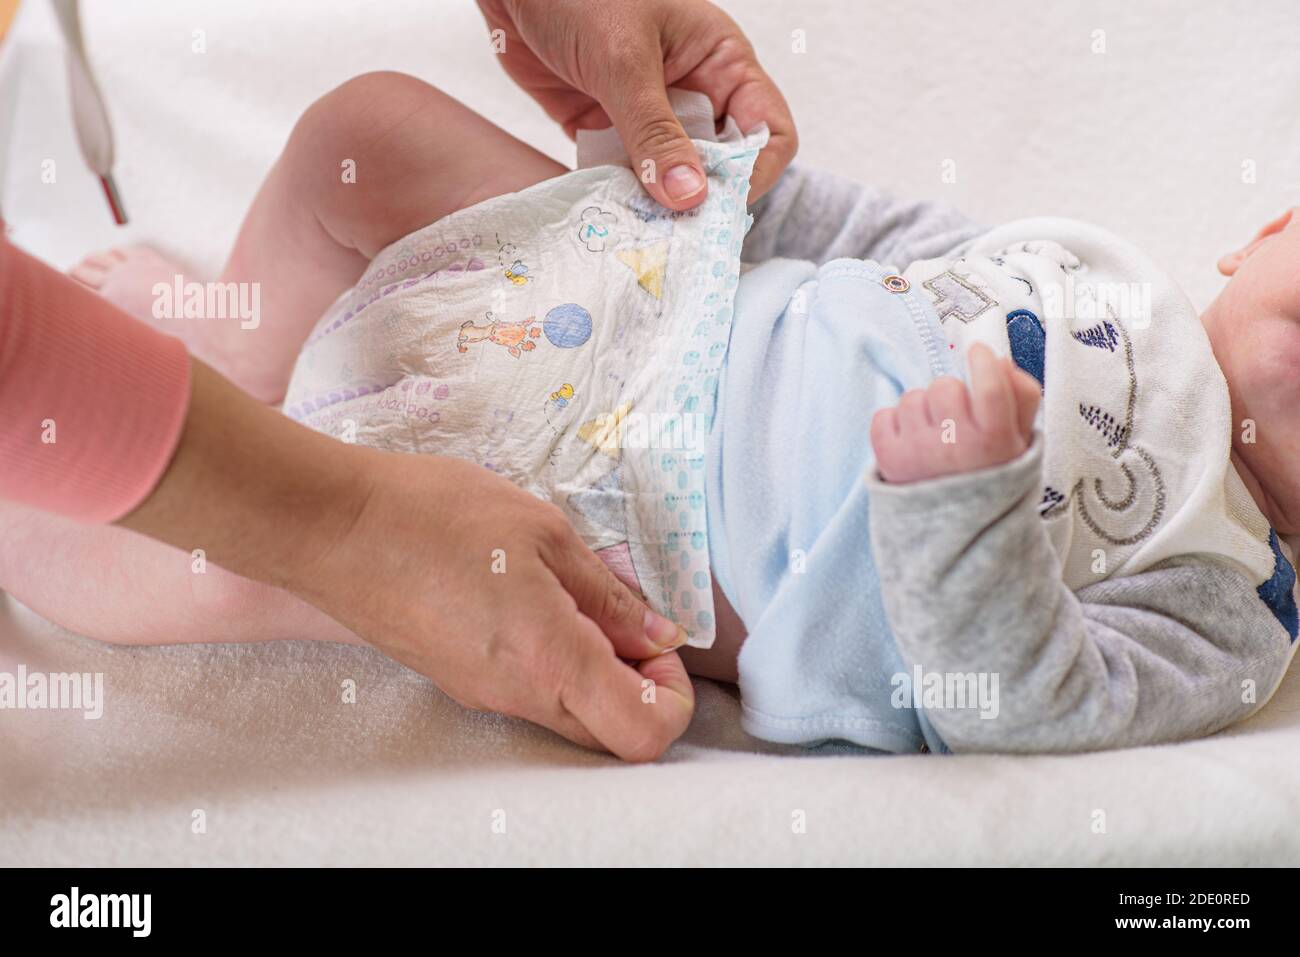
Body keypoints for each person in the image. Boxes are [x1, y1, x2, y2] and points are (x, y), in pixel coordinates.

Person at [0, 0, 797, 762]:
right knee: (363, 134)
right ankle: (236, 337)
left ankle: (33, 516)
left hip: (589, 521)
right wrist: (732, 178)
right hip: (644, 282)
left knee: (220, 563)